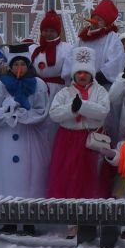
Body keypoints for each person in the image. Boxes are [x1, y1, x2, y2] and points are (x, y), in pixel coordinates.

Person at [47, 46, 113, 200]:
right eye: (79, 72)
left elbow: (103, 111)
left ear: (92, 75)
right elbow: (54, 114)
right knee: (70, 176)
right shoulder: (64, 93)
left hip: (92, 139)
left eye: (86, 73)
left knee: (93, 176)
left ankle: (93, 216)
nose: (82, 76)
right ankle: (72, 221)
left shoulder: (100, 91)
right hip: (68, 140)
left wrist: (82, 106)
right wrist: (72, 109)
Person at [0, 47, 50, 198]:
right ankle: (7, 215)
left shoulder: (38, 84)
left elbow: (42, 111)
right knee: (6, 173)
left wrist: (24, 114)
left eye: (23, 64)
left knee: (30, 174)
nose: (19, 68)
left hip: (29, 137)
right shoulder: (1, 85)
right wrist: (8, 112)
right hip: (5, 136)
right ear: (10, 66)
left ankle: (29, 214)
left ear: (28, 66)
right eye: (16, 64)